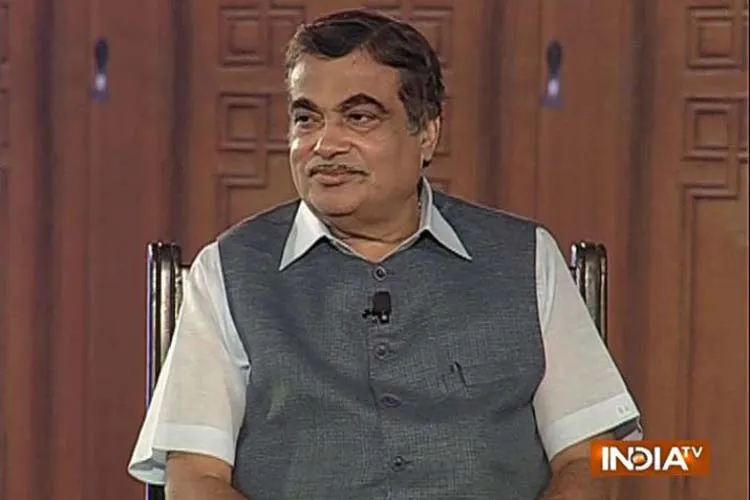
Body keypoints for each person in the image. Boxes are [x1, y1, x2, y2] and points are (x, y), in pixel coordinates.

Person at [128, 9, 641, 500]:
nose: (325, 144)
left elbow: (590, 458)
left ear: (426, 134)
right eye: (306, 119)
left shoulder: (526, 260)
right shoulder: (230, 269)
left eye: (358, 118)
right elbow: (194, 478)